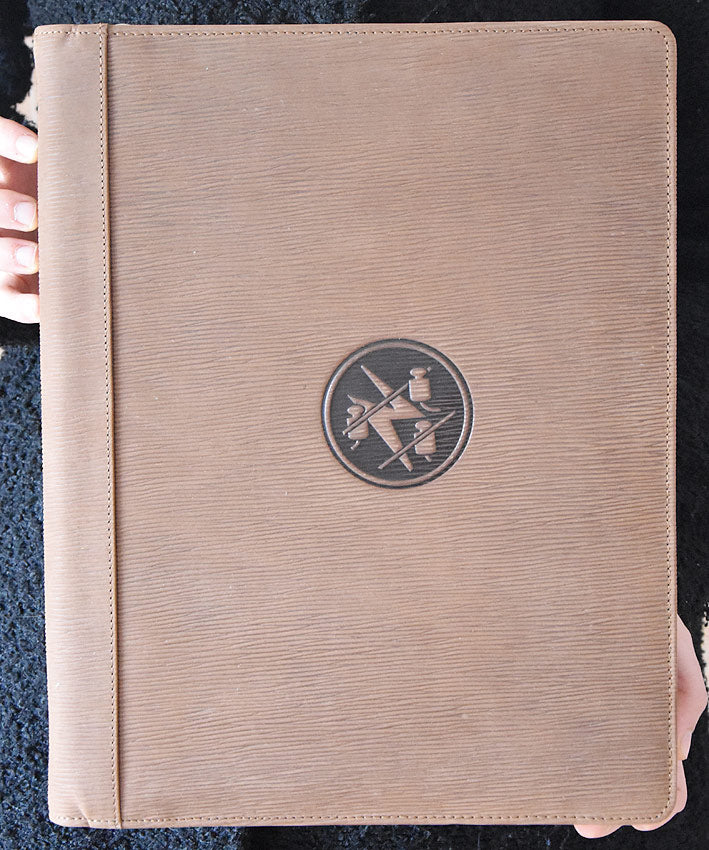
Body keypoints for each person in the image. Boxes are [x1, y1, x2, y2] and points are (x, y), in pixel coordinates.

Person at [0, 115, 706, 838]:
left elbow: (627, 230)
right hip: (98, 541)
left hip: (517, 592)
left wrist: (626, 581)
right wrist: (50, 195)